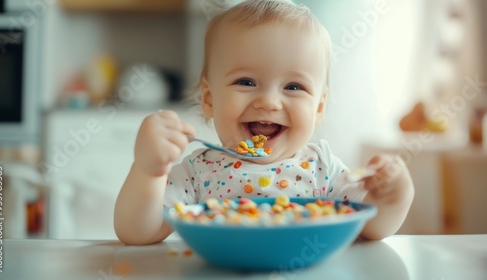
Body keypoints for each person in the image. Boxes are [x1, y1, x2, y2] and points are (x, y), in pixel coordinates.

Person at [114, 0, 414, 245]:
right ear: (209, 99)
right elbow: (138, 233)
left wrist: (395, 196)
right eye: (246, 81)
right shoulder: (198, 172)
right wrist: (149, 171)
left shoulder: (323, 169)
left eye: (294, 87)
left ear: (318, 107)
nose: (269, 102)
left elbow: (372, 228)